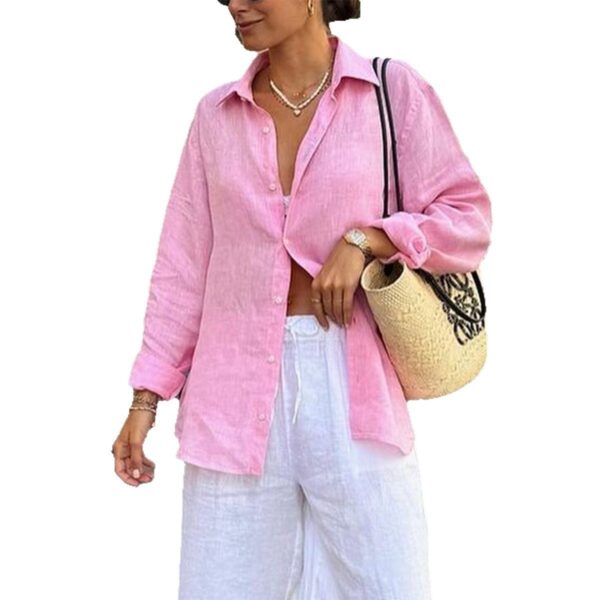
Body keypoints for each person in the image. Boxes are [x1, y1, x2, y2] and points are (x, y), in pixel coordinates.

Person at [112, 0, 492, 598]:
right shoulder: (215, 116)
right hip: (230, 395)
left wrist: (370, 239)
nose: (235, 4)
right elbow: (183, 268)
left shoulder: (390, 92)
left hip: (353, 387)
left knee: (389, 586)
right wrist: (146, 398)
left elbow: (467, 218)